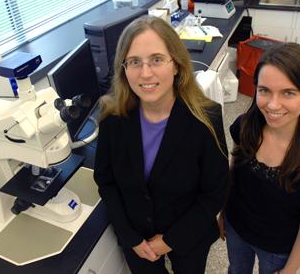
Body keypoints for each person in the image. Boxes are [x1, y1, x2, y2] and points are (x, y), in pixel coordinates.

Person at [93, 15, 229, 274]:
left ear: (176, 65)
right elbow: (106, 180)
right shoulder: (113, 117)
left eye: (156, 59)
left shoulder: (205, 118)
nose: (145, 73)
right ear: (124, 68)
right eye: (134, 62)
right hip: (136, 237)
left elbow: (214, 192)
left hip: (188, 235)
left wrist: (169, 242)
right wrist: (129, 236)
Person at [218, 42, 300, 274]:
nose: (273, 104)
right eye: (264, 90)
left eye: (288, 92)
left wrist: (289, 270)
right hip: (237, 228)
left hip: (278, 249)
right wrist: (224, 212)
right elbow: (234, 175)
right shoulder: (245, 127)